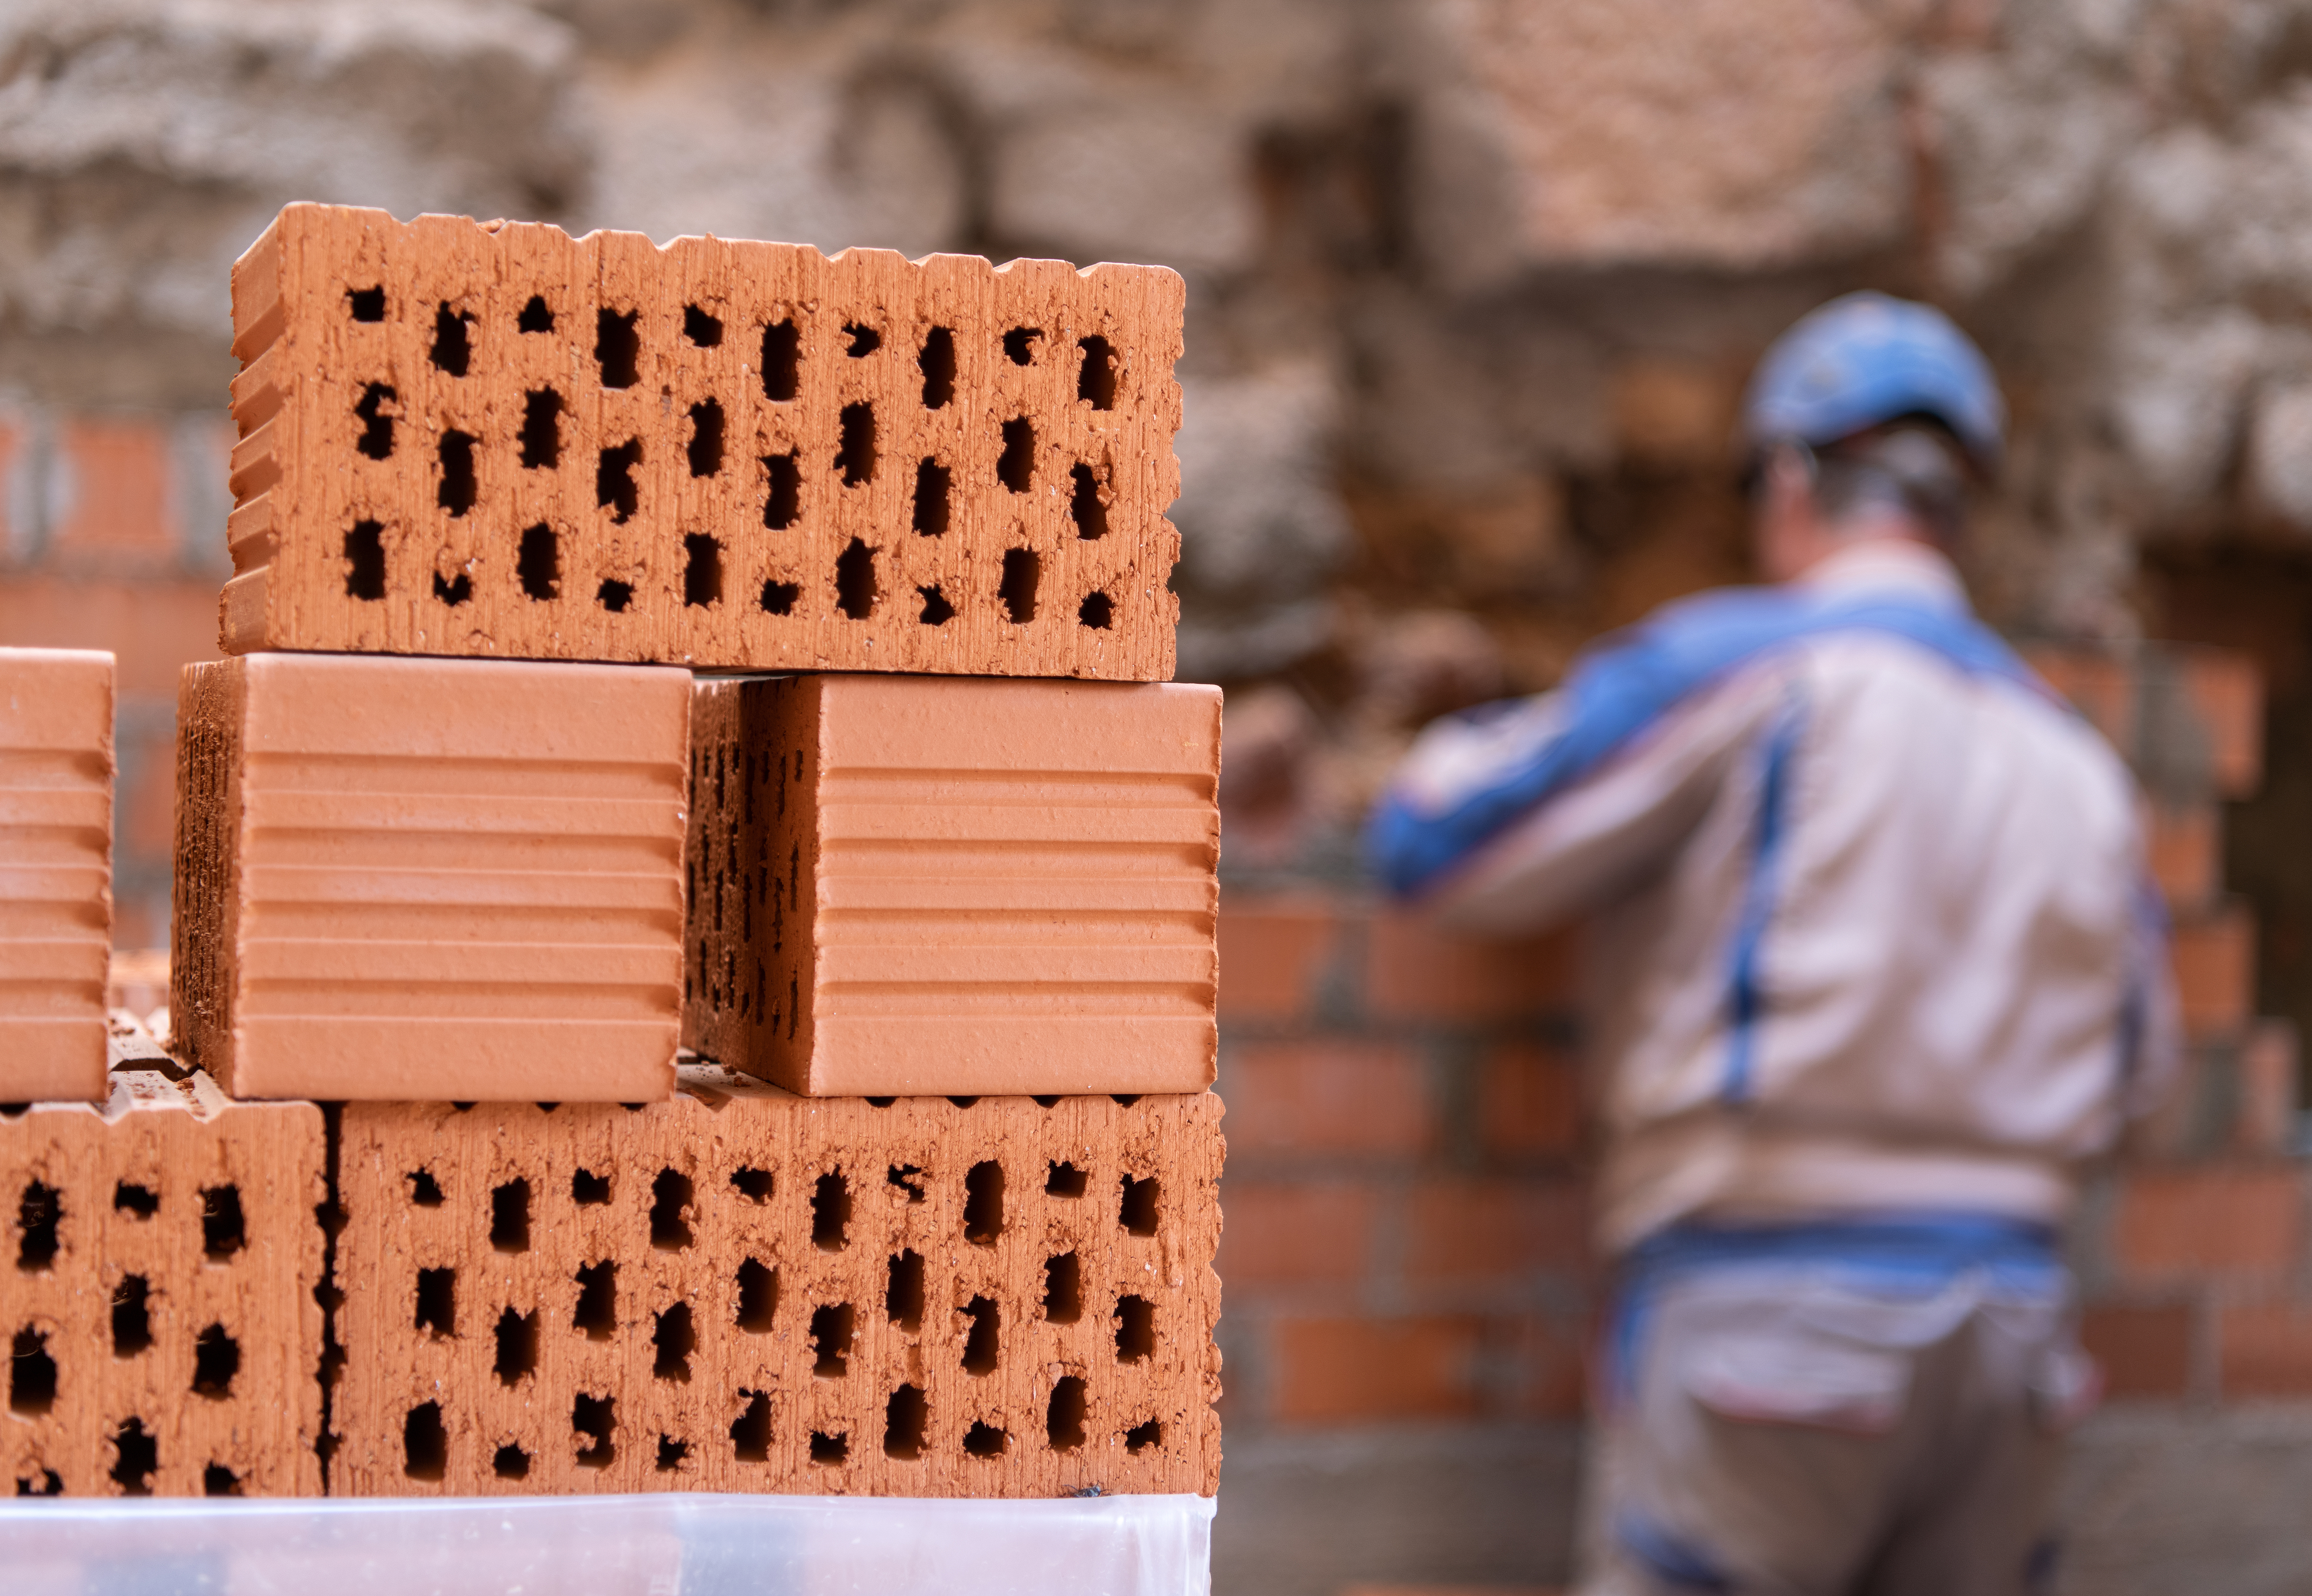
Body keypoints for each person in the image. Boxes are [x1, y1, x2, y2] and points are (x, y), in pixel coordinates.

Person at [1365, 293, 2178, 1595]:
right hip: (2010, 1334)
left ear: (1792, 480)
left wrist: (1423, 741)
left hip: (1773, 1313)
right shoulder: (2075, 758)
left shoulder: (1751, 668)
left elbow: (1444, 846)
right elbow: (2142, 1081)